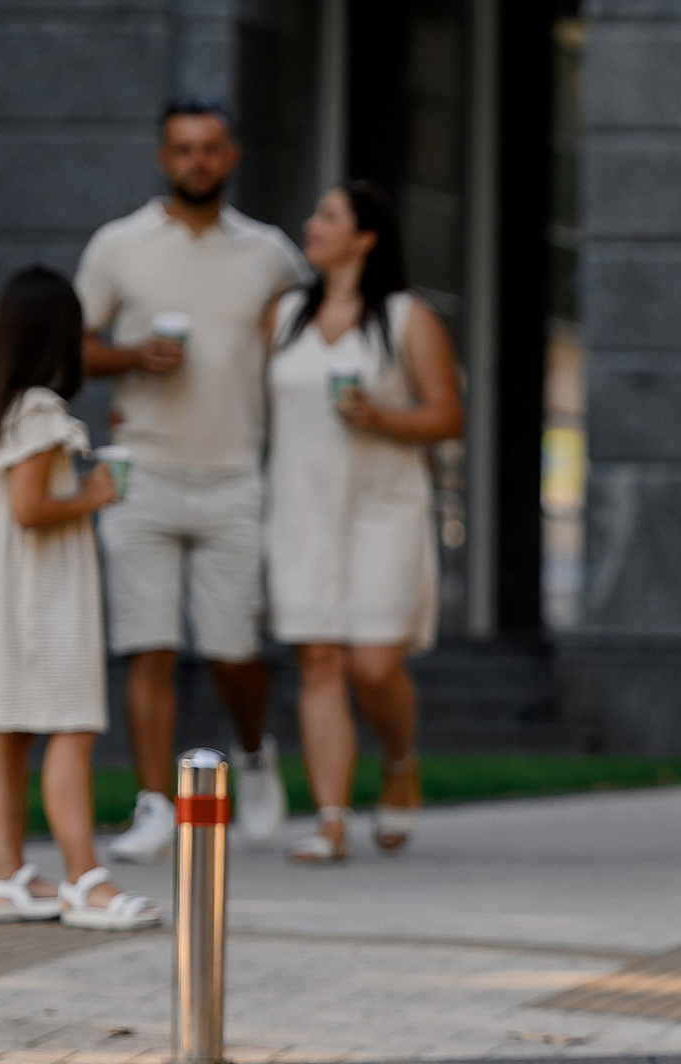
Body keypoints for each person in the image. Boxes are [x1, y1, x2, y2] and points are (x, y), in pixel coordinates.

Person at [76, 97, 306, 861]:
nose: (196, 161)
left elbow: (306, 346)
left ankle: (253, 752)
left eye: (209, 148)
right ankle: (154, 803)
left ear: (231, 156)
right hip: (142, 467)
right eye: (182, 149)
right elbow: (71, 348)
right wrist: (131, 356)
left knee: (234, 649)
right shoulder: (119, 245)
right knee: (149, 645)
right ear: (161, 157)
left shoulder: (270, 253)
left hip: (236, 472)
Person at [0, 266, 162, 933]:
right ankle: (84, 879)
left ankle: (8, 879)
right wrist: (92, 496)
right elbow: (32, 510)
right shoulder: (38, 411)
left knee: (8, 730)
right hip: (41, 586)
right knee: (70, 722)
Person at [263, 180, 464, 862]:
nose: (311, 224)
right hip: (300, 510)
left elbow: (447, 416)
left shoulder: (408, 318)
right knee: (318, 660)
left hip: (383, 509)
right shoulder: (284, 314)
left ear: (366, 237)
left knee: (374, 664)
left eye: (328, 215)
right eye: (314, 211)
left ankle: (400, 763)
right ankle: (330, 820)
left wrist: (380, 417)